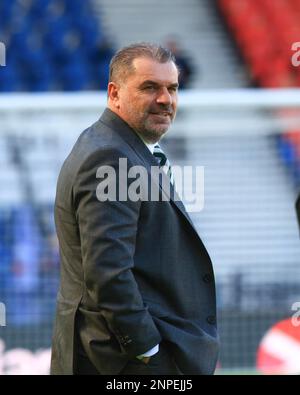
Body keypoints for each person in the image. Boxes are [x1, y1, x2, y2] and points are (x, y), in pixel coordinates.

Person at [50, 42, 219, 375]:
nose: (165, 99)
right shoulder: (111, 156)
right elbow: (107, 272)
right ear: (114, 93)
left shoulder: (120, 148)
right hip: (123, 363)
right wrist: (147, 350)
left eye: (172, 88)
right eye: (149, 87)